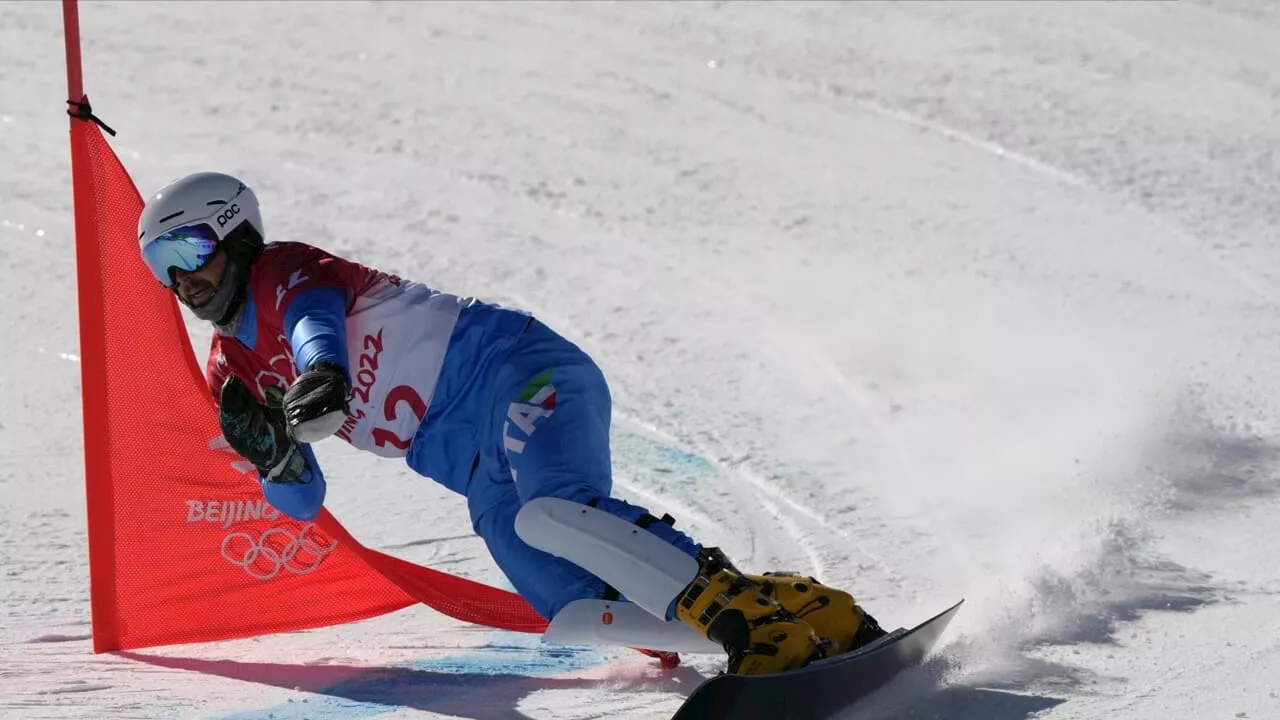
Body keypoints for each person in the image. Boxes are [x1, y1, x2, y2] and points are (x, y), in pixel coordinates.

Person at [136, 171, 886, 675]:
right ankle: (792, 612)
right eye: (161, 264)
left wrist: (324, 373)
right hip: (474, 470)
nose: (182, 279)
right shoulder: (229, 376)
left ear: (235, 235)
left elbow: (314, 324)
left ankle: (751, 620)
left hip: (517, 372)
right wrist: (275, 463)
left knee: (553, 511)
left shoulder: (280, 270)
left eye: (189, 248)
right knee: (573, 606)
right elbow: (303, 503)